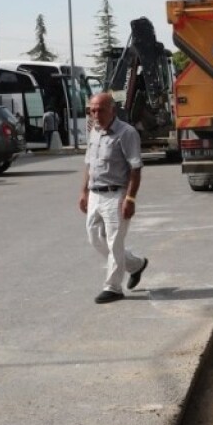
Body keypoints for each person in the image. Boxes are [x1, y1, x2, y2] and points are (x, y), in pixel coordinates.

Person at [79, 93, 148, 304]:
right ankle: (135, 265)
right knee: (95, 239)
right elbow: (89, 164)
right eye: (92, 110)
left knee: (114, 242)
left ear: (112, 110)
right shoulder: (94, 132)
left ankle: (113, 287)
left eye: (100, 110)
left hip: (116, 195)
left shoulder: (127, 133)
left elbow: (135, 169)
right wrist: (84, 191)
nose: (96, 114)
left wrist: (130, 199)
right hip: (95, 194)